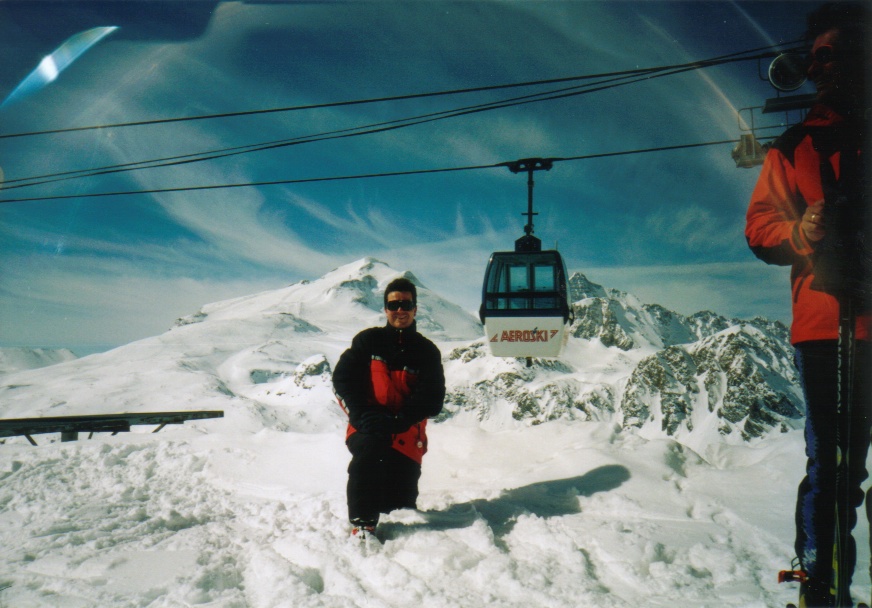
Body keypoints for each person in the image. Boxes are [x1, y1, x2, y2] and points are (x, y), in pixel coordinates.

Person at [745, 3, 870, 606]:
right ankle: (820, 589)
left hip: (838, 327)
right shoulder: (793, 147)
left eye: (838, 53)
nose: (825, 67)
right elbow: (760, 227)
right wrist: (803, 232)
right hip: (825, 327)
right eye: (818, 55)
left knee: (838, 469)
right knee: (834, 469)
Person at [332, 277, 446, 538]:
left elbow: (432, 398)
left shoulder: (426, 351)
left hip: (407, 435)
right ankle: (362, 524)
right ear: (385, 309)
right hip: (368, 426)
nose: (400, 310)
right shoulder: (367, 342)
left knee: (399, 509)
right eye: (393, 305)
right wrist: (361, 414)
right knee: (369, 451)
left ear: (415, 308)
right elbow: (343, 380)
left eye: (406, 304)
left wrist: (400, 420)